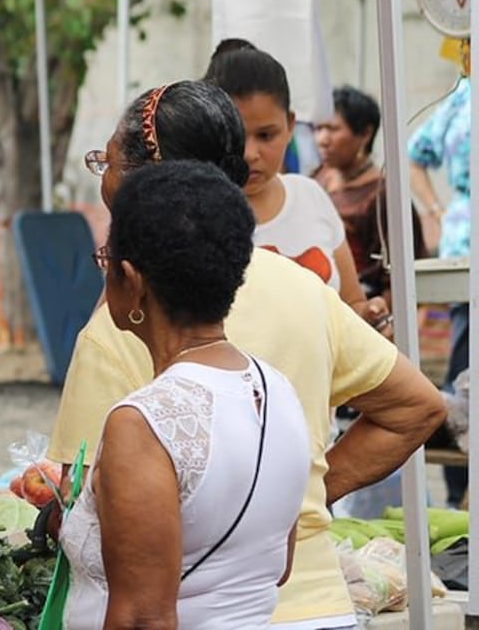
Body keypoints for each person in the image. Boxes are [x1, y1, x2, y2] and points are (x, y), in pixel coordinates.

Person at [55, 80, 446, 629]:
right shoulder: (278, 378)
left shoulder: (124, 379)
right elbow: (419, 406)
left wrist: (51, 506)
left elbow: (133, 591)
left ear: (132, 277)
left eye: (108, 164)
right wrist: (291, 500)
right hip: (321, 607)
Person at [61, 160, 309, 629]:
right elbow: (274, 567)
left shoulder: (144, 423)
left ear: (131, 281)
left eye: (106, 261)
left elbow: (142, 618)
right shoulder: (277, 390)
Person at [204, 40, 392, 334]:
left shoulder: (310, 197)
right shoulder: (196, 216)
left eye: (266, 135)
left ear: (290, 125)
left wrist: (368, 315)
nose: (250, 153)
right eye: (236, 137)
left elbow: (351, 304)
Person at [409, 75, 471, 508]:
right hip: (464, 244)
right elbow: (415, 155)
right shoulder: (462, 93)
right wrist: (433, 208)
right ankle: (456, 498)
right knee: (464, 370)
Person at [313, 86, 425, 307]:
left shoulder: (383, 197)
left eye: (333, 129)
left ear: (365, 133)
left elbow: (401, 277)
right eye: (319, 128)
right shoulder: (317, 179)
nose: (322, 139)